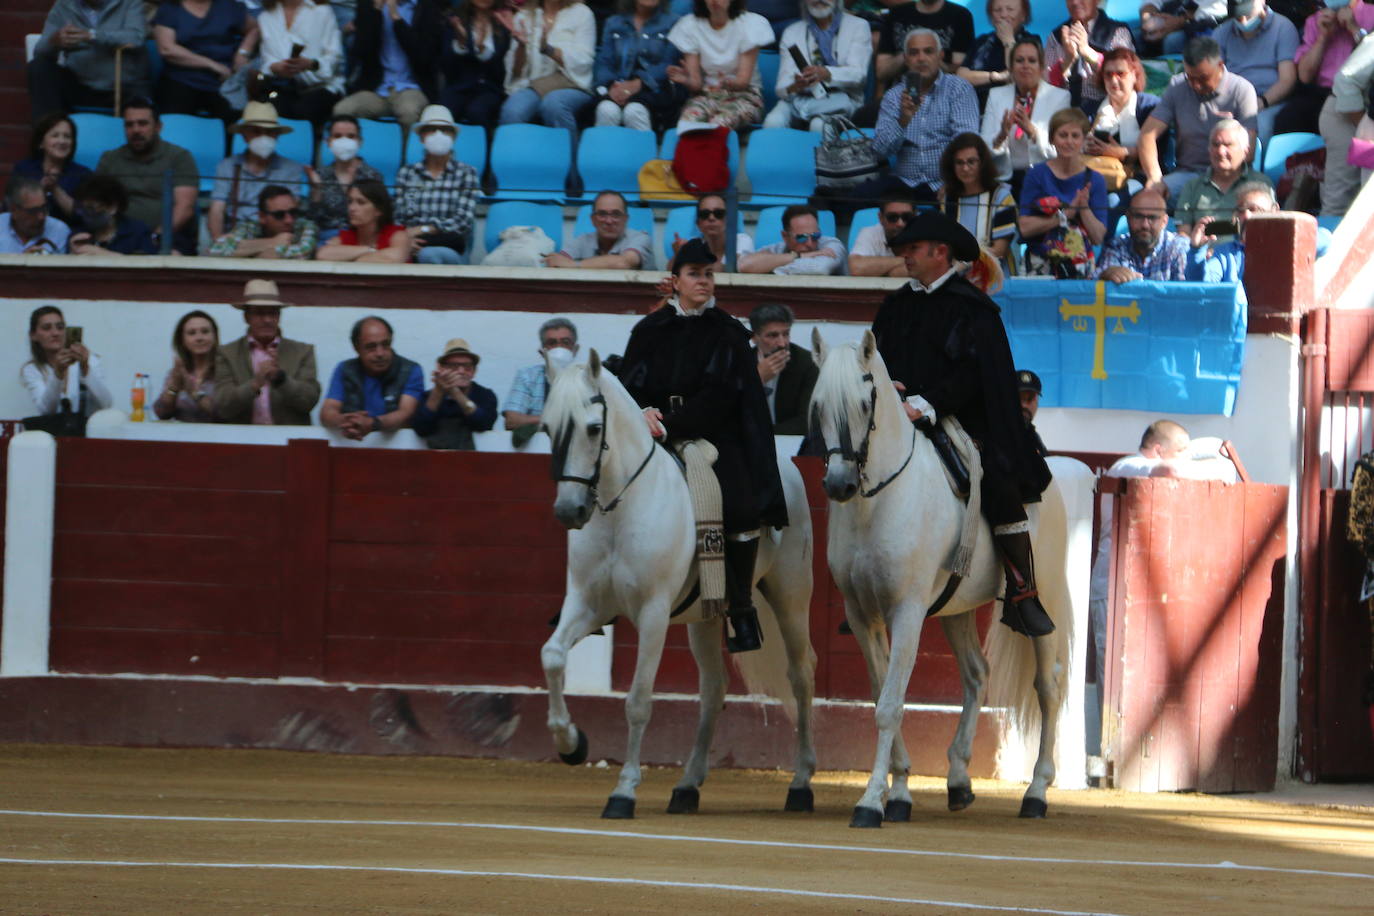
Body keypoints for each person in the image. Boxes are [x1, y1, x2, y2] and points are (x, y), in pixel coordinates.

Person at [870, 211, 1054, 637]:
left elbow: (976, 375)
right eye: (905, 250)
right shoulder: (896, 304)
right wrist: (889, 384)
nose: (906, 257)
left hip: (963, 419)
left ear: (940, 252)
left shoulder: (974, 309)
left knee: (997, 480)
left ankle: (1023, 591)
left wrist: (927, 403)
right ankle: (868, 584)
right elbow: (876, 355)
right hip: (900, 417)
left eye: (913, 249)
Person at [618, 237, 789, 653]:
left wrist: (670, 425)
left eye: (709, 274)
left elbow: (723, 396)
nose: (704, 282)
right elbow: (629, 386)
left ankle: (742, 607)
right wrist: (642, 412)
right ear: (674, 281)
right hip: (653, 431)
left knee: (741, 504)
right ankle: (604, 590)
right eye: (695, 274)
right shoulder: (648, 329)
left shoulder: (729, 333)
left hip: (713, 435)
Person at [1138, 36, 1259, 202]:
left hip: (1231, 176)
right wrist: (1155, 178)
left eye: (1203, 78)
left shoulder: (1242, 90)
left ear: (1220, 66)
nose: (1196, 85)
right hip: (1187, 176)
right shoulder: (1177, 86)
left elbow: (1249, 151)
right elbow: (1147, 135)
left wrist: (1217, 180)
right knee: (1148, 200)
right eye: (1190, 78)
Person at [865, 28, 980, 202]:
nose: (921, 58)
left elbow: (966, 141)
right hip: (904, 184)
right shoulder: (894, 96)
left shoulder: (959, 89)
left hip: (946, 182)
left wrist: (953, 181)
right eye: (913, 53)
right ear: (905, 59)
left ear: (940, 55)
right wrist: (903, 121)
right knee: (859, 195)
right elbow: (880, 151)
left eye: (928, 51)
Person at [1294, 0, 1374, 216]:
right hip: (1345, 112)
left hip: (1361, 112)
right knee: (1341, 200)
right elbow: (1344, 80)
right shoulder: (1319, 20)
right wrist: (1361, 123)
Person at [94, 97, 199, 254]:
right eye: (129, 125)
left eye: (142, 123)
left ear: (158, 127)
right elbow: (97, 203)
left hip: (168, 237)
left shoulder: (179, 157)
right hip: (120, 236)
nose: (136, 130)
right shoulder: (109, 159)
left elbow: (185, 207)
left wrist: (155, 237)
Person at [213, 278, 322, 425]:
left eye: (273, 313)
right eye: (259, 313)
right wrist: (255, 384)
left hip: (288, 441)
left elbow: (309, 401)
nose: (267, 319)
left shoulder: (303, 351)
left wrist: (281, 379)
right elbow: (223, 406)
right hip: (240, 440)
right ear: (246, 317)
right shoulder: (226, 353)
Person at [1017, 106, 1108, 278]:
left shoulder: (1095, 180)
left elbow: (1098, 237)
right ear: (1052, 139)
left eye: (1075, 136)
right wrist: (1066, 214)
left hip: (1080, 265)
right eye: (1063, 135)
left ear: (1083, 140)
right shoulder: (1036, 174)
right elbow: (1025, 227)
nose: (1069, 141)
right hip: (1039, 262)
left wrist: (1083, 208)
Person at [332, 0, 444, 131]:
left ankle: (406, 152)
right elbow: (362, 51)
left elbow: (424, 58)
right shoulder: (369, 5)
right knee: (342, 110)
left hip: (413, 88)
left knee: (408, 111)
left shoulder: (427, 7)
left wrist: (396, 18)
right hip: (378, 89)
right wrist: (375, 12)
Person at [27, 0, 148, 120]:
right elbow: (40, 52)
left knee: (142, 87)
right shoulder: (63, 5)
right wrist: (55, 41)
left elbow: (136, 38)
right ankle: (49, 131)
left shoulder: (130, 3)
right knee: (39, 67)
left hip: (121, 87)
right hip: (80, 85)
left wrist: (91, 35)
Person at [392, 104, 482, 264]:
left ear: (453, 137)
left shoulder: (467, 173)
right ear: (421, 137)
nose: (438, 134)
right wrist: (406, 241)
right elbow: (399, 218)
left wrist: (424, 229)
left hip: (449, 245)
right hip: (410, 242)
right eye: (431, 129)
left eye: (444, 130)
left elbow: (462, 221)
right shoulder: (407, 173)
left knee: (428, 255)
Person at [980, 37, 1072, 194]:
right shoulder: (996, 95)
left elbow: (1062, 149)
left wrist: (1032, 131)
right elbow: (983, 147)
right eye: (1019, 60)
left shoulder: (1060, 97)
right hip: (1005, 179)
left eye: (1032, 60)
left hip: (1044, 178)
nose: (1025, 66)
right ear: (1011, 67)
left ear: (1042, 66)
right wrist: (1001, 135)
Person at [666, 0, 774, 130]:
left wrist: (728, 83)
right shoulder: (689, 25)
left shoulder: (750, 24)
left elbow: (743, 82)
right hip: (706, 95)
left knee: (718, 124)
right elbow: (696, 85)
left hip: (745, 95)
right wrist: (687, 80)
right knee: (688, 123)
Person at [764, 0, 871, 131]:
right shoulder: (792, 32)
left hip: (843, 99)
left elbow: (859, 75)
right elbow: (782, 88)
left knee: (819, 125)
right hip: (800, 99)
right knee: (772, 122)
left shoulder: (858, 26)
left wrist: (827, 73)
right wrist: (796, 85)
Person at [207, 102, 309, 241]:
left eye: (269, 132)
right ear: (244, 135)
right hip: (237, 235)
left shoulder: (291, 168)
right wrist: (218, 240)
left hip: (276, 235)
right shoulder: (227, 166)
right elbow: (217, 209)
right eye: (256, 131)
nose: (263, 137)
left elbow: (291, 210)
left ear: (277, 136)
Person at [1212, 0, 1300, 148]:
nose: (1244, 21)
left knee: (1261, 125)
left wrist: (1261, 102)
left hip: (1270, 101)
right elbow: (1214, 76)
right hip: (1232, 101)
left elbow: (1287, 80)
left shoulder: (1283, 27)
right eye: (1238, 17)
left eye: (1247, 15)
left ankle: (1253, 170)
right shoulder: (1222, 32)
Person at [498, 0, 597, 132]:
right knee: (512, 111)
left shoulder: (582, 13)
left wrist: (548, 50)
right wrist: (521, 47)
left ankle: (565, 152)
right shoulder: (524, 16)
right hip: (534, 85)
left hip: (572, 84)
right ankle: (517, 152)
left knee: (554, 104)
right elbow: (515, 72)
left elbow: (584, 61)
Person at [321, 316, 424, 440]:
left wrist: (373, 424)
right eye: (371, 347)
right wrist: (345, 421)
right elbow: (328, 411)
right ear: (356, 348)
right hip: (352, 444)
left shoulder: (410, 370)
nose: (380, 353)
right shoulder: (345, 369)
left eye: (385, 345)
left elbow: (406, 414)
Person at [152, 0, 257, 123]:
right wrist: (212, 65)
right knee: (174, 123)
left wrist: (243, 53)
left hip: (223, 82)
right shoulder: (170, 8)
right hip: (181, 78)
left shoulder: (229, 6)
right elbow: (167, 49)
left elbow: (254, 28)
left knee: (236, 120)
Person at [593, 0, 685, 131]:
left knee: (634, 111)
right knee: (607, 110)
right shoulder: (614, 22)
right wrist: (611, 86)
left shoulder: (674, 23)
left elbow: (668, 64)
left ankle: (645, 151)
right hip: (618, 85)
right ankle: (605, 151)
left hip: (654, 88)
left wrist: (639, 83)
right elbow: (604, 61)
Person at [254, 0, 346, 128]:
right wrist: (276, 67)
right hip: (283, 86)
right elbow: (267, 61)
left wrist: (310, 64)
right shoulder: (265, 17)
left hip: (322, 86)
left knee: (304, 110)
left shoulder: (322, 11)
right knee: (269, 111)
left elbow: (335, 57)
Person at [1173, 119, 1272, 235]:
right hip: (1203, 251)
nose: (1220, 151)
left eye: (1228, 145)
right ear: (1209, 149)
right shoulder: (1192, 187)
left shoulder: (1262, 184)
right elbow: (1183, 234)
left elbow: (1271, 228)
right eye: (1215, 145)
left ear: (1246, 151)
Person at [938, 132, 1016, 266]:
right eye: (959, 163)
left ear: (983, 163)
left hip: (996, 279)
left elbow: (999, 250)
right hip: (957, 279)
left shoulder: (1001, 198)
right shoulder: (948, 200)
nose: (965, 168)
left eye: (971, 162)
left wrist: (964, 263)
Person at [21, 306, 113, 419]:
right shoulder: (33, 369)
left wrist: (86, 370)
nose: (55, 333)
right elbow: (46, 411)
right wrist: (57, 375)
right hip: (54, 433)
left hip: (88, 432)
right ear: (33, 335)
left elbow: (107, 403)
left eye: (60, 327)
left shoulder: (88, 360)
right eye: (46, 328)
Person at [1084, 47, 1160, 183]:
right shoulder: (1090, 109)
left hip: (1137, 177)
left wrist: (1121, 152)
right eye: (1108, 74)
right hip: (1095, 173)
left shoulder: (1149, 106)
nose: (1114, 80)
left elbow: (1160, 151)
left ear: (1134, 75)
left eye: (1120, 73)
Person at [1043, 0, 1135, 112]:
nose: (1075, 2)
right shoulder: (1056, 37)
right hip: (1064, 111)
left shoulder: (1117, 32)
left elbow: (1124, 78)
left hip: (1106, 109)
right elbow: (1045, 85)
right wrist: (1068, 59)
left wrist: (1086, 51)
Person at [304, 117, 385, 242]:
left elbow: (380, 216)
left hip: (362, 237)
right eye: (337, 136)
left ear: (360, 142)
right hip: (326, 238)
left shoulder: (372, 175)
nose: (344, 141)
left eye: (351, 136)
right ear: (328, 141)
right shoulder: (320, 175)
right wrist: (316, 190)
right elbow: (312, 220)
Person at [1185, 179, 1278, 284]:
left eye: (1255, 209)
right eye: (1241, 210)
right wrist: (1197, 250)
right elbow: (1202, 287)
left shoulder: (1285, 250)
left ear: (1274, 211)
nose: (1246, 215)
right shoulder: (1225, 253)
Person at [413, 338, 499, 449]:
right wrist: (438, 392)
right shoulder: (427, 397)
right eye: (454, 366)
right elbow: (421, 428)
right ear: (441, 368)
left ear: (474, 371)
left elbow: (484, 423)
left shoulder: (485, 395)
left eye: (467, 367)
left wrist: (455, 393)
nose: (461, 371)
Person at [440, 0, 513, 129]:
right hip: (459, 85)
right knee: (443, 114)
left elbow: (500, 68)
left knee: (477, 112)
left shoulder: (502, 22)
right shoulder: (455, 20)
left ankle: (486, 148)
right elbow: (446, 64)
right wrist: (462, 44)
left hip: (489, 88)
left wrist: (481, 50)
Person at [748, 302, 817, 435]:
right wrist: (756, 380)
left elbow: (807, 421)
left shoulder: (806, 364)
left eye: (786, 334)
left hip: (790, 444)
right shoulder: (738, 363)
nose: (782, 343)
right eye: (772, 336)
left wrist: (764, 434)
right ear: (754, 338)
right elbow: (728, 414)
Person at [1095, 187, 1189, 283]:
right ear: (1128, 218)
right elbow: (1092, 282)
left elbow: (1190, 291)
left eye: (1152, 218)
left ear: (1164, 222)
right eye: (1138, 217)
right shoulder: (1116, 246)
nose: (1145, 225)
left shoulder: (1179, 247)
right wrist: (1107, 274)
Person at [503, 317, 579, 436]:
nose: (559, 348)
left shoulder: (588, 377)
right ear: (542, 352)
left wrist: (536, 420)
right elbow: (512, 421)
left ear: (575, 350)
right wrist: (559, 419)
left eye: (565, 342)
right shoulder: (527, 376)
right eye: (552, 343)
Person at [13, 113, 91, 227]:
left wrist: (55, 189)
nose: (62, 141)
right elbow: (12, 209)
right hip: (26, 233)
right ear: (41, 143)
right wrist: (40, 191)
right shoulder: (24, 169)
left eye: (67, 136)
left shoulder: (83, 174)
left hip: (68, 237)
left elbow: (85, 216)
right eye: (55, 135)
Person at [957, 0, 1038, 108]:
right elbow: (961, 75)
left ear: (1023, 15)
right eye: (997, 10)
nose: (1003, 15)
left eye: (1010, 9)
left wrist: (1008, 41)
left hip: (1011, 109)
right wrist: (995, 76)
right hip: (975, 107)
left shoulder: (1032, 41)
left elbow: (1016, 77)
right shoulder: (983, 41)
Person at [546, 190, 654, 269]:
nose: (609, 221)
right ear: (593, 219)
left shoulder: (641, 238)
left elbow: (625, 262)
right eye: (602, 214)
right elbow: (557, 262)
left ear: (625, 219)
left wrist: (574, 265)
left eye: (616, 214)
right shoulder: (582, 240)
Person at [875, 0, 975, 84]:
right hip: (900, 93)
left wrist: (932, 60)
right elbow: (881, 72)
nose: (921, 58)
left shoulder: (960, 16)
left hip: (944, 94)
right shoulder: (897, 14)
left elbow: (961, 71)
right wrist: (910, 54)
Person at [208, 184, 319, 259]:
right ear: (262, 217)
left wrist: (247, 251)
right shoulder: (250, 227)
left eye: (293, 212)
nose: (289, 220)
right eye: (279, 215)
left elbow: (303, 252)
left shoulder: (305, 225)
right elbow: (215, 250)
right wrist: (273, 242)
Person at [315, 178, 412, 262]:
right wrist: (370, 250)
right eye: (350, 201)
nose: (352, 208)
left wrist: (353, 258)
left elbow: (396, 257)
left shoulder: (397, 235)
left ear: (379, 210)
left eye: (361, 202)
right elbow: (323, 254)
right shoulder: (346, 236)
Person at [739, 203, 847, 275]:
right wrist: (798, 255)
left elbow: (819, 269)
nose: (810, 243)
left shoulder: (832, 245)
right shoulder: (778, 249)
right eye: (801, 238)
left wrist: (769, 268)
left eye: (815, 236)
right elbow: (744, 266)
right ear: (785, 236)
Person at [153, 310, 220, 421]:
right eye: (191, 333)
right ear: (182, 340)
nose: (199, 338)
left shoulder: (227, 370)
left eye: (205, 331)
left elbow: (226, 414)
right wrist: (173, 389)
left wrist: (194, 392)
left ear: (215, 336)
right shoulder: (177, 372)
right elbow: (162, 414)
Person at [68, 174, 159, 256]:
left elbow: (146, 267)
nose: (86, 214)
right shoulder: (79, 233)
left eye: (91, 208)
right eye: (82, 209)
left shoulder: (137, 231)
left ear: (112, 208)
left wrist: (102, 254)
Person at [667, 192, 752, 266]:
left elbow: (727, 268)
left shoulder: (742, 240)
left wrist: (689, 259)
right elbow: (670, 272)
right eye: (705, 214)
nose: (711, 218)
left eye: (719, 213)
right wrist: (678, 255)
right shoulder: (694, 243)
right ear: (698, 224)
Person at [848, 192, 916, 277]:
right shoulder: (870, 233)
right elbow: (856, 268)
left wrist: (884, 270)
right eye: (892, 217)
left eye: (906, 217)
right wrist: (905, 261)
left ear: (915, 216)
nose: (900, 223)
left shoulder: (925, 234)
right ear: (881, 218)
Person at [0, 177, 71, 255]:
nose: (41, 217)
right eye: (33, 211)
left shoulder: (59, 231)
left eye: (43, 208)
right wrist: (22, 260)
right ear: (14, 210)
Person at [1139, 0, 1228, 56]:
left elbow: (1214, 10)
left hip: (1208, 26)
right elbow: (1151, 4)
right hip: (1178, 15)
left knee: (1172, 41)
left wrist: (1180, 21)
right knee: (1138, 37)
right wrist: (1148, 17)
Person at [1016, 368, 1048, 458]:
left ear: (1037, 402)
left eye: (1030, 399)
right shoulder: (995, 433)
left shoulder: (1033, 436)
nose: (1024, 405)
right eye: (1019, 398)